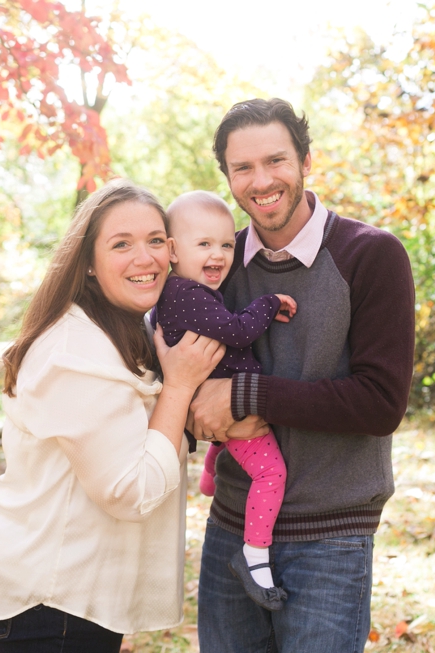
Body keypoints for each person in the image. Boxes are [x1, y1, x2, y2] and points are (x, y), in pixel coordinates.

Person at [190, 99, 416, 652]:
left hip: (331, 539)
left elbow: (381, 403)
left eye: (276, 161)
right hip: (231, 529)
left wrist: (246, 394)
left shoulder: (371, 255)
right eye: (242, 168)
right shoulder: (217, 264)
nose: (261, 181)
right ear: (227, 177)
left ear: (306, 160)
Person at [0, 179, 225, 653]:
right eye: (121, 244)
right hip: (48, 602)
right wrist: (182, 386)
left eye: (154, 241)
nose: (144, 258)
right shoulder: (73, 351)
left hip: (73, 598)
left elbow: (146, 436)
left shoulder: (126, 333)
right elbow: (131, 491)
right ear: (87, 262)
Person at [152, 190, 297, 611]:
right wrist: (268, 304)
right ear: (174, 251)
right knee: (270, 474)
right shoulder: (187, 295)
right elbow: (235, 332)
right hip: (224, 407)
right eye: (204, 245)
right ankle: (254, 555)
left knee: (230, 439)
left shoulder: (181, 292)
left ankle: (212, 473)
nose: (218, 254)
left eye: (226, 244)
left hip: (211, 399)